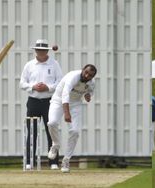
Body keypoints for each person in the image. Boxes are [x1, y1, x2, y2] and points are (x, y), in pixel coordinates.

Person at [20, 39, 63, 170]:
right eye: (38, 50)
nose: (41, 52)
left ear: (47, 51)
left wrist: (48, 88)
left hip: (49, 102)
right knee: (31, 132)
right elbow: (22, 83)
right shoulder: (29, 65)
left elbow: (60, 82)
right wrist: (33, 86)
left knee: (52, 131)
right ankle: (29, 162)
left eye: (43, 50)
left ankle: (54, 162)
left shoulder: (54, 64)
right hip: (33, 101)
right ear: (35, 51)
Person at [46, 64, 97, 173]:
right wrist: (66, 113)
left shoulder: (91, 83)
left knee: (75, 131)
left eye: (90, 75)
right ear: (83, 70)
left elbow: (90, 91)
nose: (87, 75)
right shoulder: (73, 76)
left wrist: (88, 95)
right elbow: (65, 94)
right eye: (86, 72)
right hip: (59, 100)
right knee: (52, 123)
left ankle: (66, 160)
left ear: (92, 77)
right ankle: (55, 145)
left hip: (76, 103)